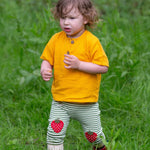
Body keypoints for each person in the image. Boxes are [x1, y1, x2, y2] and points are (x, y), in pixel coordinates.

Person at [40, 0, 109, 149]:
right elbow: (47, 59)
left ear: (86, 19)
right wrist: (45, 69)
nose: (66, 22)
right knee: (54, 134)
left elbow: (103, 67)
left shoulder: (91, 42)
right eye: (63, 17)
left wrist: (80, 65)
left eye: (72, 18)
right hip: (61, 102)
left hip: (86, 103)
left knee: (94, 137)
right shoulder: (56, 39)